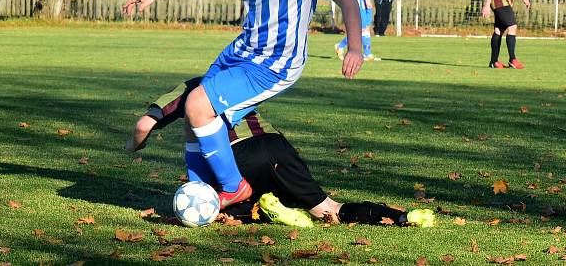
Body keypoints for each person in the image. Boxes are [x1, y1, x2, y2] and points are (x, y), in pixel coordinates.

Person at [122, 0, 364, 209]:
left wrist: (355, 48)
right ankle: (202, 195)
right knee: (196, 117)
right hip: (241, 51)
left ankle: (234, 188)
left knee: (197, 105)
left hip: (275, 63)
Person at [126, 77, 429, 228]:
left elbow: (143, 126)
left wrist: (132, 146)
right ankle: (398, 216)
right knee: (329, 210)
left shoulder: (192, 88)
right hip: (276, 148)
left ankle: (262, 208)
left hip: (238, 160)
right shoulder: (239, 84)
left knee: (222, 209)